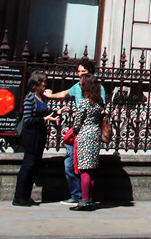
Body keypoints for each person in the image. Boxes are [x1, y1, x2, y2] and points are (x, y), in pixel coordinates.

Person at [42, 60, 98, 204]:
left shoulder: (91, 96)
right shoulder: (78, 88)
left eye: (83, 73)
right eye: (79, 72)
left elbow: (82, 118)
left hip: (82, 134)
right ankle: (83, 197)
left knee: (84, 168)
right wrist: (51, 96)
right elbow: (65, 94)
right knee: (79, 166)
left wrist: (76, 130)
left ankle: (82, 198)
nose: (80, 76)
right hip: (90, 133)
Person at [64, 76, 106, 211]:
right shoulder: (99, 102)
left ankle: (84, 201)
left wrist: (74, 131)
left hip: (85, 135)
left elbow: (77, 122)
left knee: (84, 169)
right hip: (95, 133)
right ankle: (89, 199)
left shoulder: (84, 102)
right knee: (91, 168)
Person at [13, 74, 52, 207]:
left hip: (40, 134)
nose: (45, 85)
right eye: (43, 83)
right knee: (28, 164)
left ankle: (26, 195)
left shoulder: (40, 98)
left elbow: (45, 113)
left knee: (35, 165)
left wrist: (56, 113)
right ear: (37, 83)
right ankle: (18, 197)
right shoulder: (30, 98)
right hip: (31, 135)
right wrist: (44, 120)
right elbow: (28, 119)